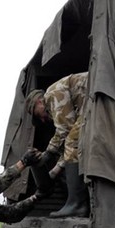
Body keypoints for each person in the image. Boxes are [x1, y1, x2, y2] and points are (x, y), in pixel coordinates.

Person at [25, 72, 90, 218]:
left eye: (37, 114)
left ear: (39, 103)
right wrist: (55, 171)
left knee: (72, 141)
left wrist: (48, 154)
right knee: (72, 142)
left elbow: (65, 128)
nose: (42, 119)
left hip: (97, 101)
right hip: (94, 103)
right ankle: (78, 203)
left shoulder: (52, 94)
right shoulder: (55, 95)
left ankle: (77, 204)